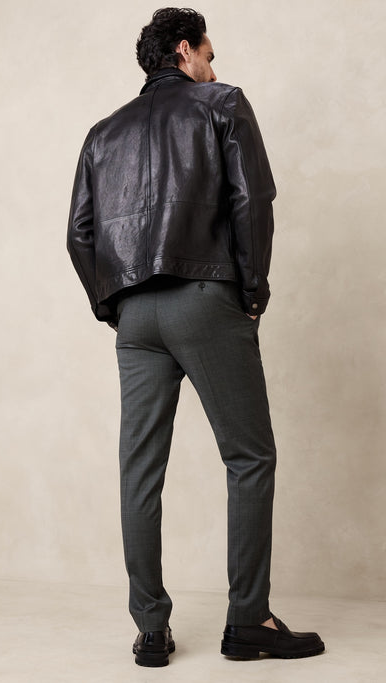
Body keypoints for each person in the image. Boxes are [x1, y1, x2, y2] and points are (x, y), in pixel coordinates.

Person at [67, 7, 324, 667]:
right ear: (185, 49)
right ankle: (250, 621)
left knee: (139, 470)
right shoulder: (222, 104)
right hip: (205, 297)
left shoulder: (103, 133)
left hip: (136, 316)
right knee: (249, 458)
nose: (214, 64)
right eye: (209, 52)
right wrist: (252, 291)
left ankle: (151, 630)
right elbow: (251, 199)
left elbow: (80, 234)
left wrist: (113, 304)